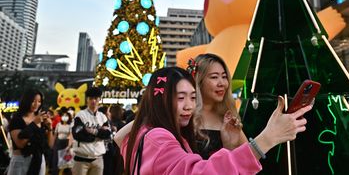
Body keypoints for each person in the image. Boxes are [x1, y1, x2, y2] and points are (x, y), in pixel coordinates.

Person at [118, 67, 311, 174]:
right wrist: (267, 139)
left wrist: (227, 145)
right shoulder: (158, 137)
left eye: (193, 97)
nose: (188, 106)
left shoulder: (149, 133)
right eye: (180, 97)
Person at [189, 53, 246, 158]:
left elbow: (247, 158)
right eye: (214, 77)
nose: (222, 83)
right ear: (199, 81)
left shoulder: (228, 117)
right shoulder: (185, 115)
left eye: (224, 77)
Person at [7, 89, 55, 175]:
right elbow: (20, 144)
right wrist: (35, 124)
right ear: (26, 101)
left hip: (39, 160)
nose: (36, 104)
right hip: (21, 161)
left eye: (39, 101)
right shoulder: (17, 119)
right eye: (33, 101)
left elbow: (50, 144)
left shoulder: (41, 118)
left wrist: (50, 128)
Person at [71, 87, 112, 175]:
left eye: (96, 98)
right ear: (87, 100)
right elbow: (77, 134)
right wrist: (98, 134)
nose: (93, 101)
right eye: (91, 98)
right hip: (81, 159)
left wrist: (91, 131)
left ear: (99, 100)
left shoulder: (102, 117)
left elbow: (107, 134)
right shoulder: (80, 115)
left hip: (98, 159)